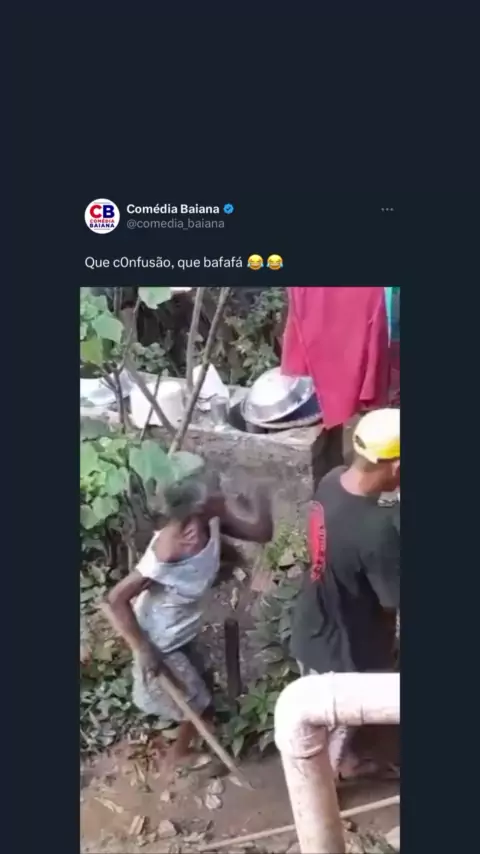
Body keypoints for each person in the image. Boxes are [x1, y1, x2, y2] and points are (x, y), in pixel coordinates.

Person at [102, 473, 273, 776]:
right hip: (159, 639)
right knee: (194, 701)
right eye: (216, 493)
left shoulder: (212, 516)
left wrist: (260, 491)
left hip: (182, 631)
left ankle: (194, 735)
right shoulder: (168, 549)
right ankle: (177, 756)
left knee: (201, 686)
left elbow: (261, 532)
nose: (223, 495)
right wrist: (143, 649)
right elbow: (116, 599)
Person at [290, 408, 400, 781]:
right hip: (345, 649)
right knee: (335, 725)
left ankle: (344, 761)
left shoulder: (332, 481)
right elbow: (392, 602)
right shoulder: (377, 531)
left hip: (313, 622)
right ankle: (331, 781)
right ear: (397, 467)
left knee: (326, 718)